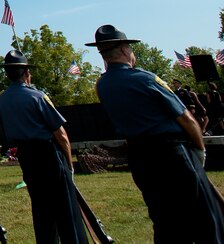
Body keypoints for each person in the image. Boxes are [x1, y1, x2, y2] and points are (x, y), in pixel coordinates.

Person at [88, 24, 224, 242]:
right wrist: (200, 151)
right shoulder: (145, 79)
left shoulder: (101, 85)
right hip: (172, 154)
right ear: (124, 50)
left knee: (164, 220)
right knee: (205, 216)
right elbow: (187, 119)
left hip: (140, 157)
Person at [0, 50, 87, 243]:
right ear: (27, 73)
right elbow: (60, 134)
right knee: (67, 210)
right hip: (48, 155)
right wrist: (69, 165)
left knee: (41, 209)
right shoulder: (36, 96)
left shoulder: (2, 98)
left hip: (27, 158)